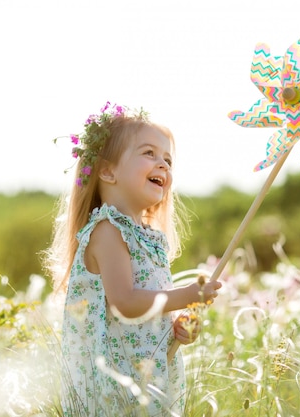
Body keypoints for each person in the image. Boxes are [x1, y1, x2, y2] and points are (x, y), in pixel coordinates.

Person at [45, 102, 222, 416]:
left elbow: (148, 305)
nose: (164, 165)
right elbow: (124, 302)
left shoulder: (149, 236)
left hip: (147, 378)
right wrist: (186, 295)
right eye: (149, 154)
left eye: (168, 159)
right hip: (115, 388)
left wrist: (175, 328)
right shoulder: (107, 231)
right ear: (108, 171)